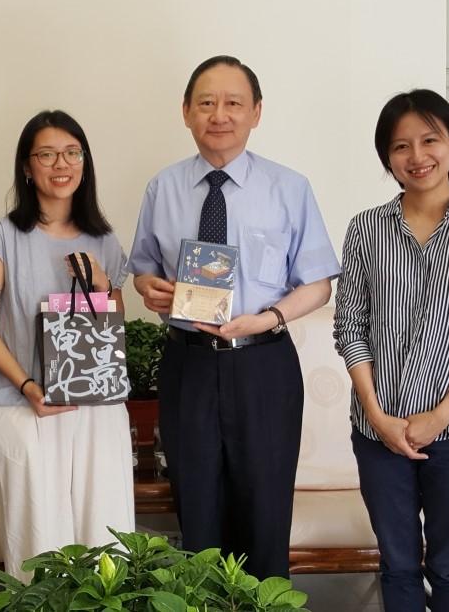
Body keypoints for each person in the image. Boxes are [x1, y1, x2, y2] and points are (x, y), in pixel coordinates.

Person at [129, 55, 339, 579]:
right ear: (186, 112)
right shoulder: (164, 187)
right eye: (206, 103)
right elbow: (143, 271)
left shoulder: (289, 188)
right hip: (188, 364)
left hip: (263, 364)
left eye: (232, 103)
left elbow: (317, 283)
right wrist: (150, 289)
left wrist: (267, 317)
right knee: (197, 512)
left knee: (265, 512)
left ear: (256, 112)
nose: (218, 114)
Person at [333, 89, 449, 611]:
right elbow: (350, 327)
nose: (417, 157)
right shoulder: (366, 228)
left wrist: (439, 415)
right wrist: (376, 414)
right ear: (387, 158)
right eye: (400, 146)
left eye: (430, 140)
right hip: (378, 430)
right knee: (396, 563)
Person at [0, 109, 134, 581]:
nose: (61, 164)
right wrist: (25, 385)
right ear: (26, 166)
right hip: (26, 411)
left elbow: (114, 329)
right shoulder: (2, 236)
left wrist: (101, 283)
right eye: (46, 154)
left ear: (85, 162)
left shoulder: (104, 240)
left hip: (97, 413)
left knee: (106, 550)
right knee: (39, 555)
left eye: (72, 152)